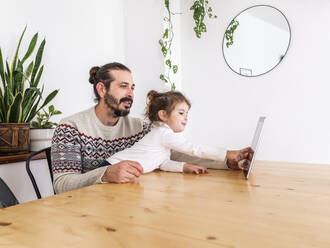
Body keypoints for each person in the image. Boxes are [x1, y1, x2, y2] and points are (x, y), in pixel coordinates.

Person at [51, 62, 252, 194]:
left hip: (124, 204)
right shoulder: (70, 128)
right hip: (84, 214)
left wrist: (227, 161)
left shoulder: (141, 127)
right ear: (102, 89)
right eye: (123, 86)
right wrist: (105, 174)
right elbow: (62, 185)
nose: (130, 93)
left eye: (132, 87)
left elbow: (179, 154)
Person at [104, 90, 225, 174]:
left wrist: (184, 167)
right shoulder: (163, 133)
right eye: (181, 113)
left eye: (187, 114)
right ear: (163, 114)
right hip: (110, 167)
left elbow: (163, 163)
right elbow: (194, 149)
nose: (186, 118)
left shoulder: (163, 137)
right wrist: (226, 154)